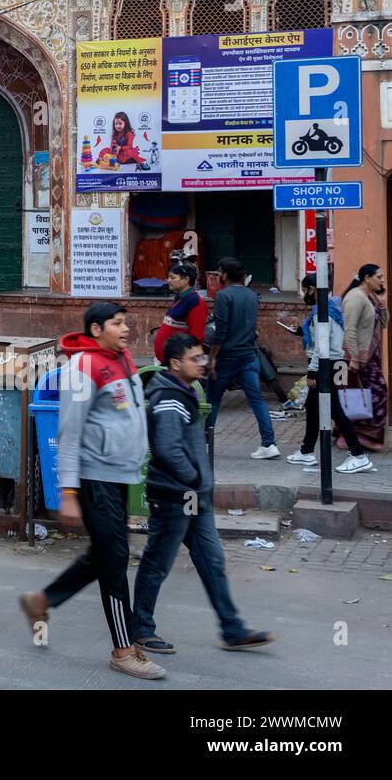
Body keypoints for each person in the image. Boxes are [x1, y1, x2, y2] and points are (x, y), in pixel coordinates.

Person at [18, 301, 162, 680]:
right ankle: (123, 650)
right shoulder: (82, 367)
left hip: (119, 477)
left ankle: (43, 600)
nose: (126, 329)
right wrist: (68, 493)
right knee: (114, 564)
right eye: (117, 324)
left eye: (125, 322)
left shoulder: (123, 357)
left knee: (105, 555)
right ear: (96, 329)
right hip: (94, 479)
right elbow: (69, 434)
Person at [132, 333, 275, 654]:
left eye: (202, 357)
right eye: (194, 358)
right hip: (174, 495)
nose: (202, 363)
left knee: (212, 560)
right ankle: (140, 627)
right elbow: (168, 449)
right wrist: (194, 477)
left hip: (194, 496)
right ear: (174, 364)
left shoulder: (184, 391)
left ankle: (232, 629)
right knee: (157, 562)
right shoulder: (168, 397)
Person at [287, 272, 371, 472]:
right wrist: (302, 331)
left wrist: (312, 372)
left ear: (313, 289)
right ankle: (306, 451)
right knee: (313, 407)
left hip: (325, 364)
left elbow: (320, 347)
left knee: (334, 410)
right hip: (334, 362)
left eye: (305, 289)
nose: (305, 293)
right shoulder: (333, 306)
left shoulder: (320, 312)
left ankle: (358, 455)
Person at [204, 257, 278, 459]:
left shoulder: (223, 296)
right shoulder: (252, 295)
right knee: (257, 400)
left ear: (225, 275)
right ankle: (269, 443)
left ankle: (204, 443)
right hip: (249, 356)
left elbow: (221, 332)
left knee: (212, 400)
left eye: (219, 272)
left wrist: (212, 357)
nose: (218, 276)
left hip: (227, 357)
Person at [341, 264, 388, 456]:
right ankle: (361, 437)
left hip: (371, 356)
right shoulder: (355, 297)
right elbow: (349, 329)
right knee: (376, 393)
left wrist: (383, 304)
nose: (382, 280)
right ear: (367, 278)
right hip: (359, 357)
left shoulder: (371, 298)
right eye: (379, 277)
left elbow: (384, 324)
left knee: (361, 396)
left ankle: (352, 436)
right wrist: (353, 357)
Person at [152, 262, 207, 366]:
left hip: (177, 366)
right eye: (168, 278)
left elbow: (197, 337)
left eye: (173, 278)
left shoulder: (195, 302)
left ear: (185, 280)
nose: (168, 281)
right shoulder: (181, 298)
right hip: (167, 362)